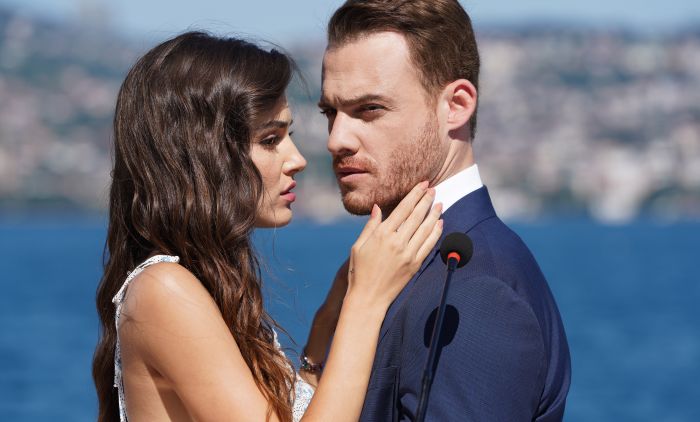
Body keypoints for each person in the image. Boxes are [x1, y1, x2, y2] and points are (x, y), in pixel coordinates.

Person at [92, 31, 444, 422]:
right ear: (205, 154)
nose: (297, 160)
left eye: (287, 136)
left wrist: (327, 323)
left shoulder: (202, 285)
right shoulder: (164, 289)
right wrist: (367, 301)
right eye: (270, 140)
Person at [317, 0, 572, 420]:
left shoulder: (478, 289)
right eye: (331, 112)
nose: (336, 139)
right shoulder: (397, 268)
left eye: (369, 109)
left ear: (456, 105)